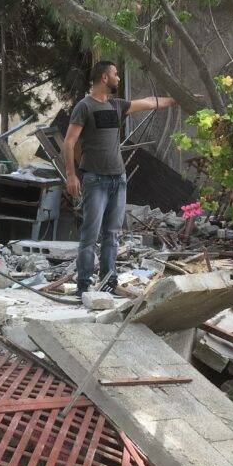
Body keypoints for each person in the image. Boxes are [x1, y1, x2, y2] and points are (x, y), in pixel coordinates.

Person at [63, 60, 177, 297]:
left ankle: (108, 284)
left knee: (112, 235)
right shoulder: (84, 107)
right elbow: (69, 141)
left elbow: (147, 102)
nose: (118, 78)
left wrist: (177, 100)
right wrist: (71, 175)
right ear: (104, 78)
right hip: (94, 179)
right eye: (115, 74)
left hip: (118, 179)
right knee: (90, 236)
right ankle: (83, 286)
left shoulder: (117, 105)